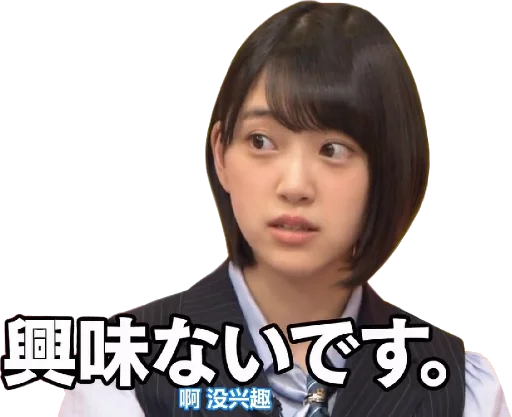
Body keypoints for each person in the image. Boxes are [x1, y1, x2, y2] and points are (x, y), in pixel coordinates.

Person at [58, 2, 509, 416]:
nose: (294, 186)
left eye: (333, 149)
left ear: (390, 170)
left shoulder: (454, 390)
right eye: (261, 141)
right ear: (221, 154)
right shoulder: (123, 375)